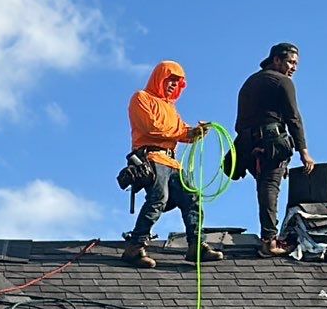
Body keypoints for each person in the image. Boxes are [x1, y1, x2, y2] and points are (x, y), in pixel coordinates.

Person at [121, 60, 219, 268]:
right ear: (159, 78)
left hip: (172, 162)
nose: (174, 84)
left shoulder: (171, 109)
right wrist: (186, 133)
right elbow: (151, 128)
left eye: (178, 81)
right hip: (152, 158)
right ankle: (135, 246)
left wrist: (196, 133)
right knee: (159, 198)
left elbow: (182, 131)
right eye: (170, 79)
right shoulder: (141, 98)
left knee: (192, 197)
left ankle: (196, 245)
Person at [234, 42, 315, 256]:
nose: (294, 68)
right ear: (276, 60)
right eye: (290, 62)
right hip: (269, 142)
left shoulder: (250, 82)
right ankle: (269, 241)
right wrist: (303, 151)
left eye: (296, 63)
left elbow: (240, 122)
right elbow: (293, 118)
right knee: (270, 186)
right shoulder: (282, 82)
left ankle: (269, 236)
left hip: (246, 145)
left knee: (266, 185)